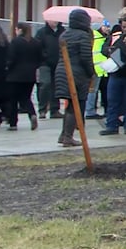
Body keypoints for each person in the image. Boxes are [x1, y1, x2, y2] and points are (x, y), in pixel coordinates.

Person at [55, 8, 95, 147]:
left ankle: (63, 135)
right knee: (75, 105)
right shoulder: (82, 36)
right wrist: (92, 72)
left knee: (70, 105)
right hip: (76, 74)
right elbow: (86, 58)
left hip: (62, 71)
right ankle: (68, 137)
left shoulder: (64, 35)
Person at [100, 14, 126, 135]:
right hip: (115, 74)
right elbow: (104, 48)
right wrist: (112, 51)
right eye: (124, 27)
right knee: (112, 101)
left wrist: (120, 50)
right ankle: (111, 126)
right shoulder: (117, 36)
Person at [4, 22, 42, 131]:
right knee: (25, 98)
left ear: (20, 30)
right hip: (30, 75)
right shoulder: (36, 43)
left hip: (15, 75)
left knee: (13, 99)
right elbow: (40, 58)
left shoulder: (15, 42)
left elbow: (11, 58)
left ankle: (13, 123)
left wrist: (7, 68)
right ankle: (32, 114)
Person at [35, 17, 64, 118]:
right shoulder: (42, 32)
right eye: (52, 19)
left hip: (59, 62)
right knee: (45, 84)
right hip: (45, 63)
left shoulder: (62, 32)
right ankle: (42, 109)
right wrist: (44, 56)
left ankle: (54, 109)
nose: (55, 21)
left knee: (56, 86)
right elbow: (37, 47)